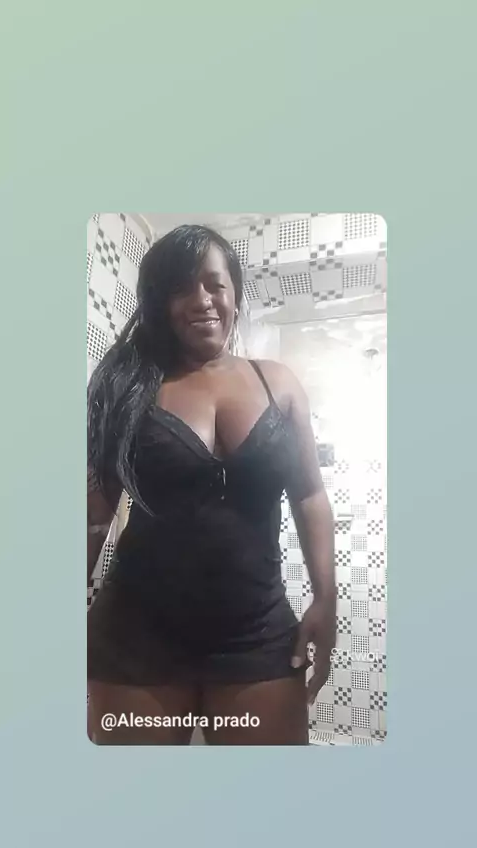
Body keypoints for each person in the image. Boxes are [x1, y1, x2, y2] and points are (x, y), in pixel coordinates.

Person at [87, 224, 336, 745]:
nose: (202, 300)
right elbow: (93, 516)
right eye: (182, 288)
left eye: (214, 284)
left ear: (234, 293)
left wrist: (325, 596)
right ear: (160, 301)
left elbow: (310, 495)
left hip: (257, 634)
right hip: (136, 636)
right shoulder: (128, 385)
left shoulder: (278, 382)